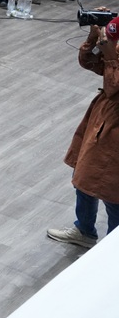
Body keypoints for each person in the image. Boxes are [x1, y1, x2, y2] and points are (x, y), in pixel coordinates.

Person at [47, 19, 119, 248]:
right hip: (103, 118)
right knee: (83, 176)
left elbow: (114, 86)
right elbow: (89, 62)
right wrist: (94, 37)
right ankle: (84, 230)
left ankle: (111, 252)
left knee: (112, 193)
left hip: (115, 129)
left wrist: (111, 55)